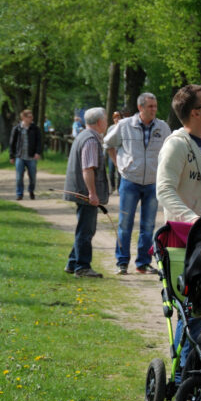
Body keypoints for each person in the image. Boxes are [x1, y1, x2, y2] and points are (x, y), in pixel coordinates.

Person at [156, 84, 201, 382]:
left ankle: (188, 372)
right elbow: (164, 189)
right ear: (196, 112)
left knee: (200, 309)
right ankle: (181, 378)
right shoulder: (177, 144)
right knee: (192, 310)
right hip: (186, 239)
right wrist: (193, 220)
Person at [104, 94, 170, 275]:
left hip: (152, 182)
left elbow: (170, 150)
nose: (154, 109)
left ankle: (143, 263)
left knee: (148, 226)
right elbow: (108, 143)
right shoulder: (125, 125)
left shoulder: (163, 127)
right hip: (129, 181)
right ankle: (122, 262)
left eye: (155, 106)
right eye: (150, 106)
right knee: (125, 224)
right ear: (140, 108)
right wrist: (119, 165)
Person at [63, 107, 109, 278]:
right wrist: (92, 193)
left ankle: (73, 262)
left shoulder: (84, 135)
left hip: (82, 191)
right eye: (105, 119)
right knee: (86, 230)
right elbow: (88, 169)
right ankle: (82, 267)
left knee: (84, 228)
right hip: (85, 193)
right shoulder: (90, 140)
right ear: (99, 122)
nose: (107, 122)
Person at [9, 109, 43, 200]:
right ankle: (19, 194)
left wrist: (38, 152)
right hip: (20, 156)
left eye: (32, 116)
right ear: (23, 117)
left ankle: (31, 191)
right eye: (29, 117)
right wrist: (11, 156)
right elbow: (12, 143)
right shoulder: (17, 129)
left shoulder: (35, 129)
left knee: (32, 177)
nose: (31, 118)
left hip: (31, 157)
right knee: (19, 177)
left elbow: (39, 142)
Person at [107, 111, 122, 192]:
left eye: (118, 117)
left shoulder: (123, 128)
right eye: (115, 117)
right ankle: (112, 186)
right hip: (112, 152)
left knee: (120, 171)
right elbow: (107, 141)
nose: (117, 119)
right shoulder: (111, 128)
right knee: (111, 170)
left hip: (120, 153)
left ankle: (119, 188)